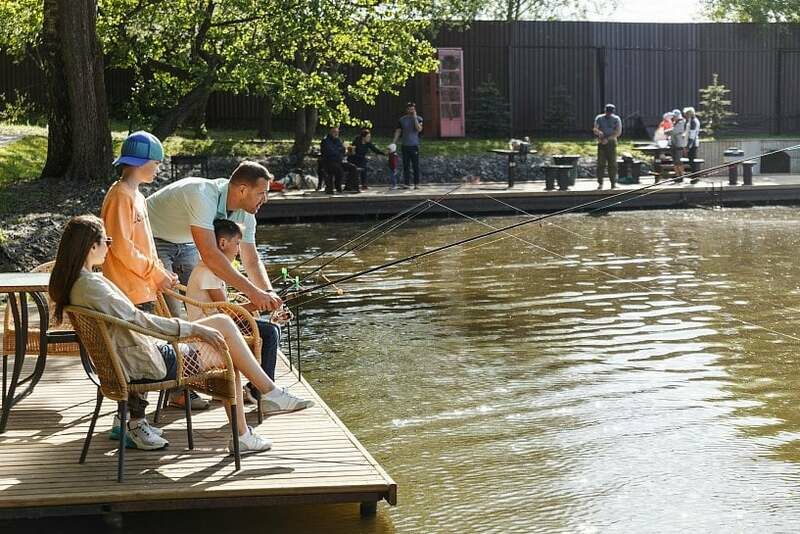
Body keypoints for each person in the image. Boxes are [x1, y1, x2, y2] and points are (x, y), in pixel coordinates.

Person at [48, 216, 314, 454]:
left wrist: (190, 330)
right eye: (106, 241)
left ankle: (266, 399)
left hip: (130, 359)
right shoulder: (92, 285)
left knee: (223, 326)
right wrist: (193, 329)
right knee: (227, 349)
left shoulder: (76, 284)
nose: (109, 246)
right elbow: (139, 320)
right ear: (91, 246)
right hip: (148, 363)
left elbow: (131, 321)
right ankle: (256, 414)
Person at [146, 161, 283, 408]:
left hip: (185, 240)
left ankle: (216, 384)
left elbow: (251, 260)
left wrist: (268, 294)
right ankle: (177, 389)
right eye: (262, 193)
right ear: (242, 189)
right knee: (173, 313)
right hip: (152, 236)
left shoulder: (246, 213)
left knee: (200, 304)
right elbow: (210, 254)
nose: (266, 199)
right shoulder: (203, 195)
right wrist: (253, 294)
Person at [100, 131, 183, 440]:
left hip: (142, 288)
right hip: (128, 292)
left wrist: (160, 273)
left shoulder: (137, 196)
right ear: (140, 163)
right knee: (139, 359)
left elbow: (146, 246)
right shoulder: (120, 195)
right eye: (156, 163)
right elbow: (122, 248)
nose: (158, 169)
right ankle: (136, 424)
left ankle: (123, 421)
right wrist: (154, 273)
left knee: (140, 354)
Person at [185, 219, 285, 406]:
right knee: (270, 332)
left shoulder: (211, 269)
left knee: (272, 329)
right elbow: (228, 313)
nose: (238, 250)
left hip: (219, 324)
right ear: (223, 243)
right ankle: (261, 392)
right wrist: (257, 304)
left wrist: (261, 304)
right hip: (210, 331)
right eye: (237, 243)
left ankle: (258, 389)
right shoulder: (208, 272)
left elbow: (226, 310)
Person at [393, 102, 423, 189]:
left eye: (413, 109)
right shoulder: (402, 119)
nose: (411, 110)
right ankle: (406, 183)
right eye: (410, 109)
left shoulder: (419, 118)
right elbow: (398, 131)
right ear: (407, 109)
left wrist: (415, 118)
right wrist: (394, 142)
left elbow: (419, 129)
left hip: (414, 145)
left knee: (415, 165)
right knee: (406, 165)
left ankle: (416, 183)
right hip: (405, 145)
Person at [320, 126, 359, 194]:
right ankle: (338, 187)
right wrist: (339, 151)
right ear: (330, 132)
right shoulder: (325, 141)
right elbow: (330, 152)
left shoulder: (338, 140)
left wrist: (341, 151)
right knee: (339, 170)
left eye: (337, 132)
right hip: (329, 162)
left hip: (339, 161)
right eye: (334, 132)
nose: (336, 133)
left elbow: (342, 150)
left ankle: (349, 187)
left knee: (353, 167)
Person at [592, 103, 622, 190]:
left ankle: (613, 183)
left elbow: (618, 132)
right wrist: (599, 132)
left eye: (610, 112)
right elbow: (595, 129)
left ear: (613, 112)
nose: (608, 113)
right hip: (601, 143)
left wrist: (608, 139)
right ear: (605, 111)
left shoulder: (616, 119)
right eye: (607, 111)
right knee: (600, 164)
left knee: (612, 164)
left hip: (611, 143)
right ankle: (600, 183)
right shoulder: (599, 118)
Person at [666, 109, 688, 178]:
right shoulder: (675, 122)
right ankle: (677, 175)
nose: (673, 117)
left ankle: (681, 176)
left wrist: (666, 131)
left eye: (674, 116)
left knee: (679, 161)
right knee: (675, 161)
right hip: (674, 144)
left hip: (679, 145)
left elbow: (674, 131)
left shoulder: (681, 122)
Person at [684, 107, 701, 183]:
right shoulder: (693, 120)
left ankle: (695, 178)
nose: (685, 116)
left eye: (686, 114)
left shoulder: (693, 122)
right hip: (693, 143)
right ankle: (694, 177)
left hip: (692, 144)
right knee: (692, 161)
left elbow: (692, 135)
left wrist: (688, 146)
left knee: (692, 161)